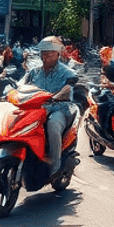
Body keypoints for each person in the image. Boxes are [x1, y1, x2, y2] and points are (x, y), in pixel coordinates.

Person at [19, 36, 79, 175]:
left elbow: (69, 86)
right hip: (38, 108)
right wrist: (11, 91)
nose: (47, 56)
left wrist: (60, 94)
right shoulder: (34, 72)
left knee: (53, 124)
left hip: (60, 108)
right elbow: (21, 84)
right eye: (44, 53)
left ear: (58, 54)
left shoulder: (66, 72)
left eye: (51, 53)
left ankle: (55, 166)